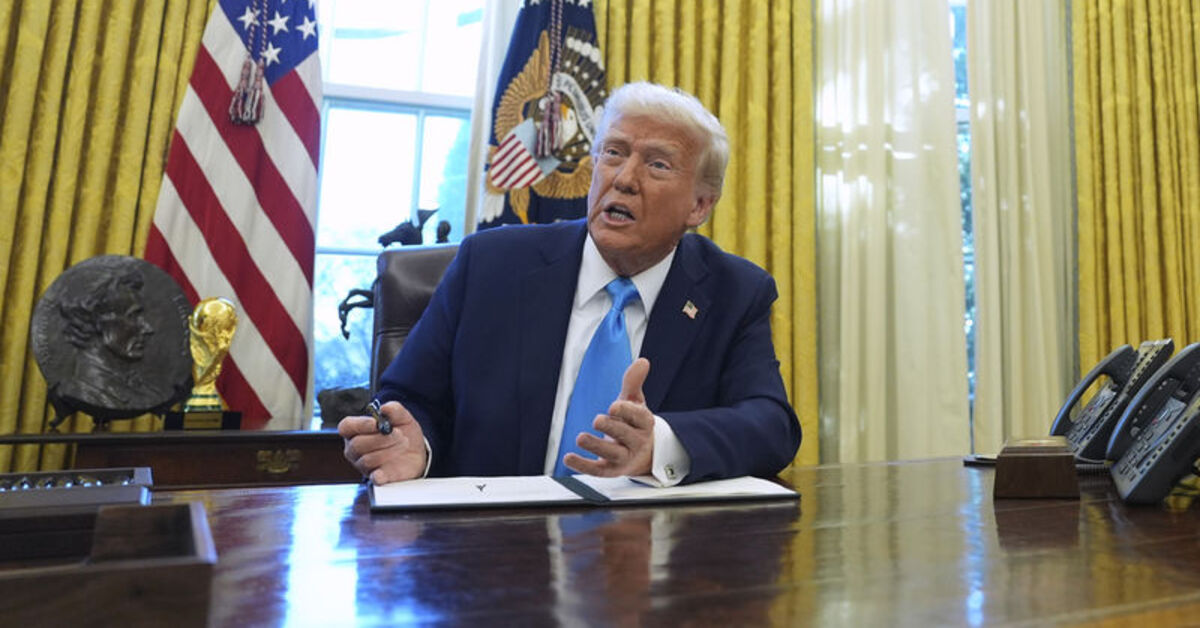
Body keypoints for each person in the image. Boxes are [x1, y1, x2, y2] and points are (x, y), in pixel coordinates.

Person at [340, 81, 801, 486]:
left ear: (699, 206)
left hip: (646, 545)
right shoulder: (490, 266)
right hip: (492, 542)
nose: (624, 179)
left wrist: (660, 444)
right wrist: (414, 447)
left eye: (658, 165)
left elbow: (770, 425)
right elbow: (409, 398)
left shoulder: (734, 292)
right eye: (613, 152)